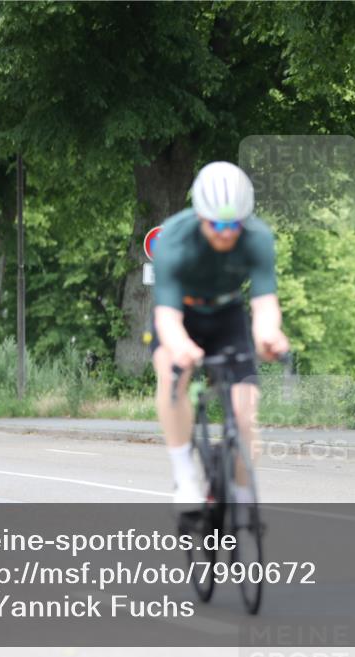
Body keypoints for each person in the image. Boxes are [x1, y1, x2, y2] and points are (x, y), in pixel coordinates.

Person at [150, 161, 289, 505]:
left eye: (234, 224)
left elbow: (264, 303)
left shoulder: (257, 238)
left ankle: (242, 496)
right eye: (217, 224)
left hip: (227, 314)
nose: (226, 232)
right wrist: (182, 347)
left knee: (245, 412)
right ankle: (184, 476)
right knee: (171, 375)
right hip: (182, 314)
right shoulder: (175, 238)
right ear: (200, 216)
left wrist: (269, 335)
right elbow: (166, 315)